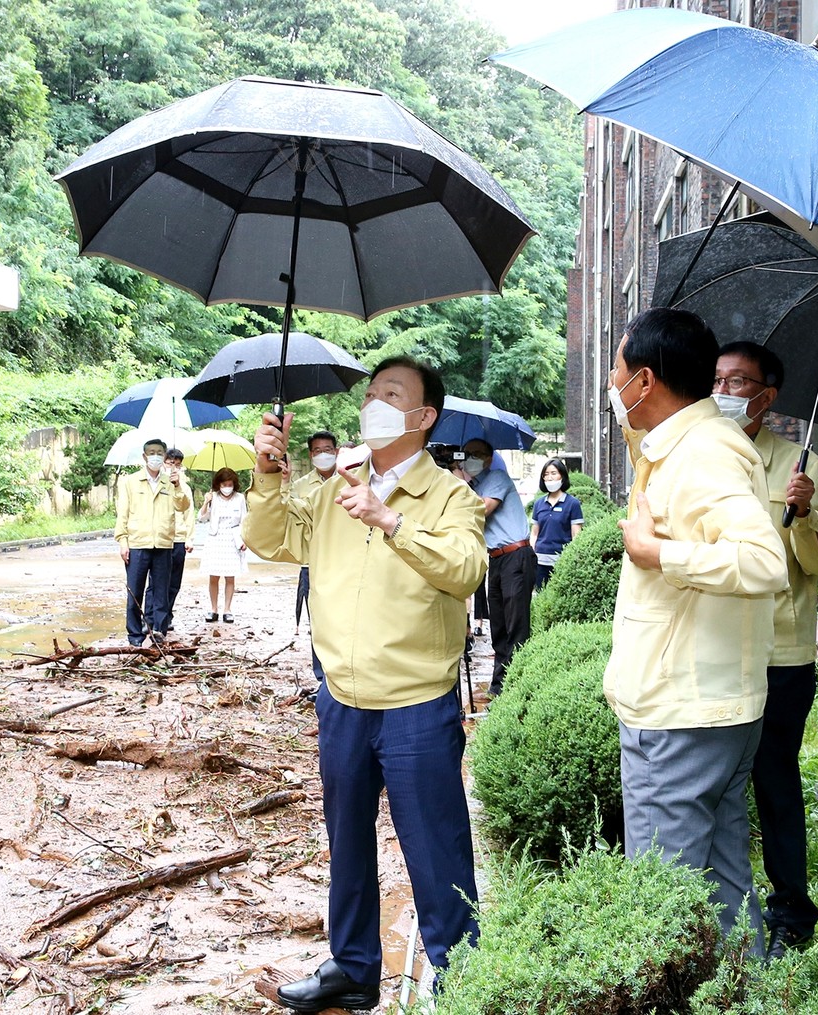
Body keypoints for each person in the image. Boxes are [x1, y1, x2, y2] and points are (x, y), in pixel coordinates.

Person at [243, 356, 486, 1013]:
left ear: (424, 416)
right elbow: (269, 539)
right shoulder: (332, 487)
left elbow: (465, 569)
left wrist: (391, 521)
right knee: (347, 844)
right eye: (371, 393)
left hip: (415, 706)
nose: (373, 403)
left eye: (392, 394)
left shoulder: (449, 495)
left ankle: (463, 974)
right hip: (342, 700)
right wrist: (269, 476)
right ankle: (353, 966)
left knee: (436, 849)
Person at [604, 308, 788, 951]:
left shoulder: (704, 453)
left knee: (664, 901)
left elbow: (764, 559)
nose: (611, 380)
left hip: (680, 712)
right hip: (707, 704)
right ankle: (747, 991)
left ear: (646, 380)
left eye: (618, 368)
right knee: (722, 882)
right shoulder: (685, 442)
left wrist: (660, 556)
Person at [714, 341, 818, 960]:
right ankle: (713, 907)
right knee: (713, 780)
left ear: (766, 398)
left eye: (738, 382)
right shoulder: (700, 459)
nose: (723, 390)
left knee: (773, 779)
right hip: (712, 646)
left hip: (780, 652)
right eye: (716, 378)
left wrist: (802, 514)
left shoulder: (803, 465)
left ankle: (791, 910)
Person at [462, 437, 533, 696]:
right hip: (497, 558)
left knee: (516, 625)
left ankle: (518, 686)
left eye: (476, 454)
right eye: (466, 454)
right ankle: (499, 685)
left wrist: (459, 480)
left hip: (517, 555)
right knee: (499, 626)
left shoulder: (498, 478)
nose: (470, 459)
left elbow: (480, 510)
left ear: (489, 458)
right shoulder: (475, 485)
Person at [114, 438, 192, 647]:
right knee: (135, 592)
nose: (155, 456)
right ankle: (135, 637)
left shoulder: (171, 482)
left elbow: (183, 506)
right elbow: (122, 514)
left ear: (165, 457)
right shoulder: (130, 482)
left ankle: (158, 631)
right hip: (138, 543)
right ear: (144, 456)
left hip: (164, 544)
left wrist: (177, 485)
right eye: (151, 452)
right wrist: (123, 541)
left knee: (161, 591)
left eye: (159, 453)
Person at [289, 432, 339, 688]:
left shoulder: (348, 482)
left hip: (342, 562)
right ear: (311, 455)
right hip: (312, 563)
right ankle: (323, 679)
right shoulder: (300, 486)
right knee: (317, 621)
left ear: (337, 451)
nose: (323, 455)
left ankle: (341, 675)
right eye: (317, 450)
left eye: (328, 449)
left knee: (342, 619)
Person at [144, 447, 195, 631]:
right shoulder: (157, 485)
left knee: (173, 582)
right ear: (164, 463)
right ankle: (149, 619)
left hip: (179, 539)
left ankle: (166, 616)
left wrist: (190, 537)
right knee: (155, 582)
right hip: (160, 540)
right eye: (170, 463)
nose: (173, 467)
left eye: (177, 464)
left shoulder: (184, 488)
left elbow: (189, 513)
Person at [198, 467, 247, 622]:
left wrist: (245, 539)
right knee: (214, 576)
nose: (227, 487)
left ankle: (227, 609)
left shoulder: (240, 498)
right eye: (223, 484)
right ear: (218, 484)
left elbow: (245, 520)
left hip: (233, 538)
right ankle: (213, 609)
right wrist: (207, 502)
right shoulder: (213, 497)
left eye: (229, 484)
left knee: (230, 576)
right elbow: (202, 518)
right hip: (216, 538)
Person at [529, 458, 584, 590]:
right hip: (540, 561)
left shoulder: (572, 503)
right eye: (546, 474)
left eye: (554, 473)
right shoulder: (539, 504)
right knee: (540, 597)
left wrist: (573, 558)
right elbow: (534, 533)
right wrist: (531, 555)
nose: (550, 478)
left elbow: (576, 535)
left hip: (562, 561)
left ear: (562, 476)